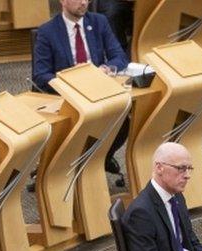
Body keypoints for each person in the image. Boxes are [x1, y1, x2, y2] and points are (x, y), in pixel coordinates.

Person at [32, 0, 129, 178]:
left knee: (123, 119)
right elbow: (40, 75)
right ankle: (65, 166)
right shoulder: (47, 31)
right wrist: (69, 82)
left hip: (98, 91)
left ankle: (102, 157)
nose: (84, 2)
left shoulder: (99, 22)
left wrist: (108, 68)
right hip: (68, 96)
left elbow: (119, 56)